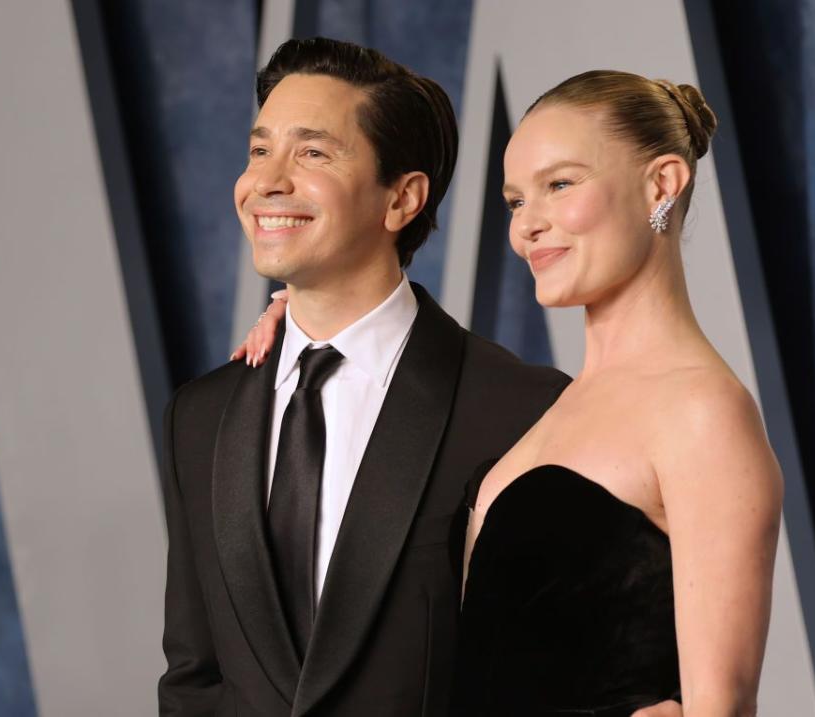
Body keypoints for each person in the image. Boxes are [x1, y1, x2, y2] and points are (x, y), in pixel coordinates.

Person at [239, 70, 783, 716]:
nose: (528, 226)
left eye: (559, 185)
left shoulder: (702, 413)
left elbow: (721, 707)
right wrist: (306, 314)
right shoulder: (545, 406)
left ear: (661, 183)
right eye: (515, 201)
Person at [158, 37, 569, 717]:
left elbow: (556, 680)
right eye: (260, 149)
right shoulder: (199, 417)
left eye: (312, 152)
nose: (266, 180)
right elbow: (193, 681)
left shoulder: (522, 411)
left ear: (403, 198)